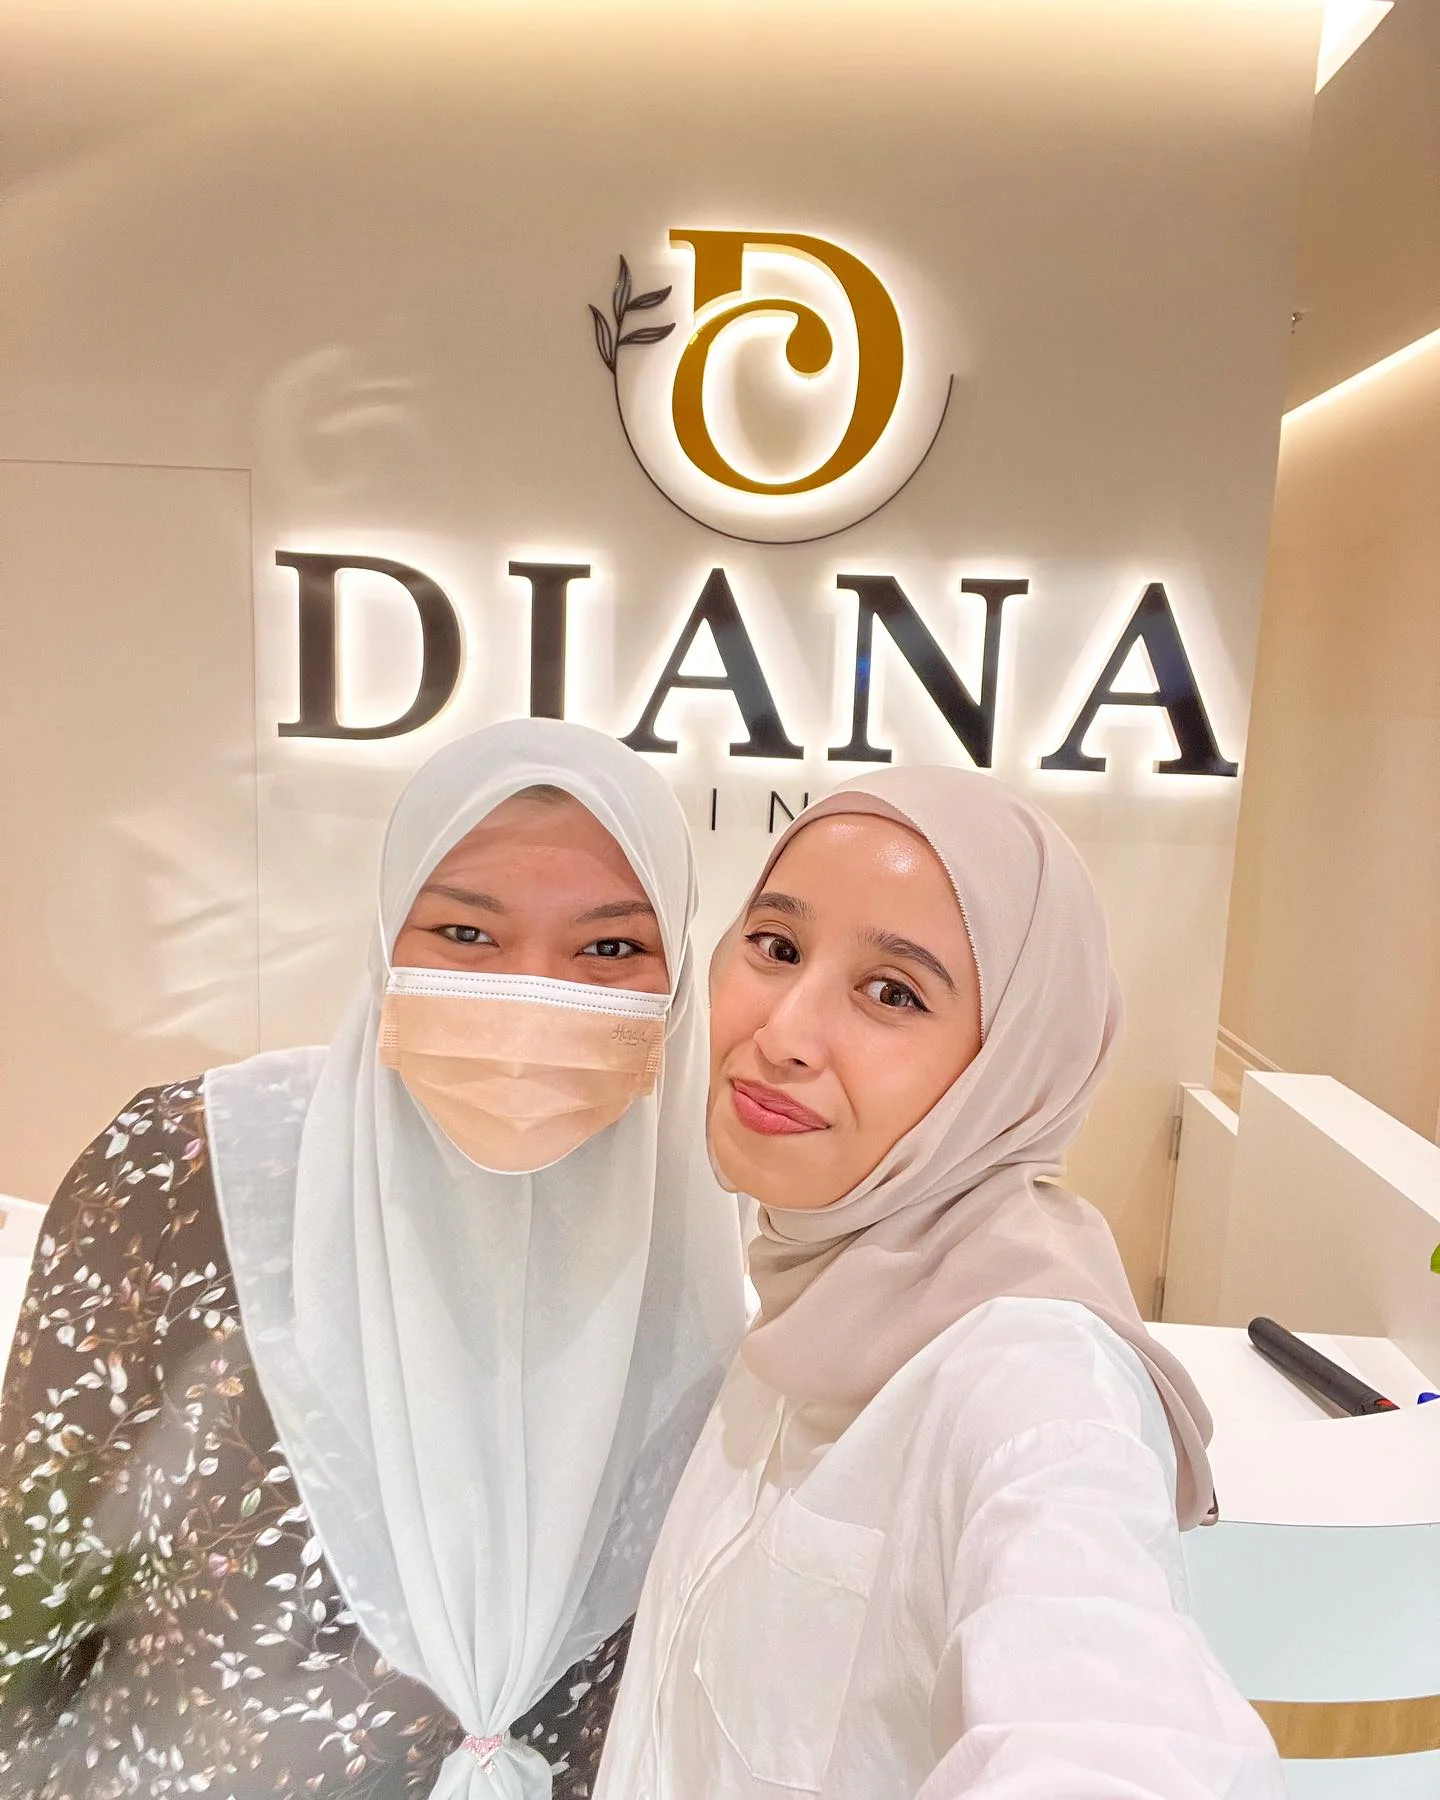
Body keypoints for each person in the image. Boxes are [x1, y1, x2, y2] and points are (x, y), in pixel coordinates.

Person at [0, 719, 744, 1800]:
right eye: (467, 932)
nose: (532, 990)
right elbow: (34, 1554)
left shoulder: (705, 1255)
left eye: (611, 949)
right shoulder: (191, 1165)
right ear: (388, 937)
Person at [596, 765, 1288, 1800]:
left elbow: (1109, 1715)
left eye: (894, 993)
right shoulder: (817, 1278)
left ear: (1012, 1059)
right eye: (776, 947)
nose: (781, 1035)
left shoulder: (1035, 1380)